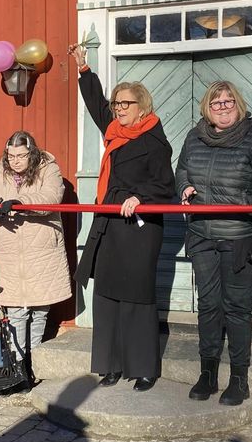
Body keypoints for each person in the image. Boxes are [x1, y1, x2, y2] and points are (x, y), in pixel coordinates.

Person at [68, 43, 175, 392]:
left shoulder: (155, 141)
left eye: (125, 104)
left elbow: (165, 184)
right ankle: (111, 364)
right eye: (116, 104)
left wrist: (139, 197)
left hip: (139, 229)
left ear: (142, 107)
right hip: (110, 224)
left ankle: (143, 368)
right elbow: (96, 104)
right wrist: (84, 69)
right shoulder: (115, 131)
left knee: (136, 297)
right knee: (107, 296)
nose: (118, 109)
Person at [175, 81, 252, 405]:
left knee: (236, 309)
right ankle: (207, 373)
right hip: (201, 236)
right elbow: (182, 170)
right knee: (208, 306)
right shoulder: (194, 138)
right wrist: (184, 187)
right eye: (216, 103)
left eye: (228, 102)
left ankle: (239, 379)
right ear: (207, 108)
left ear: (238, 105)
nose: (222, 107)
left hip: (239, 237)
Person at [0, 131, 72, 386]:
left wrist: (19, 202)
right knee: (16, 309)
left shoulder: (48, 168)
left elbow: (50, 198)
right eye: (11, 156)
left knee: (39, 309)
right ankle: (18, 366)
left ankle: (33, 361)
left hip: (41, 250)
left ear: (31, 154)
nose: (15, 161)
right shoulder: (0, 171)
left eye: (21, 156)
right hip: (11, 251)